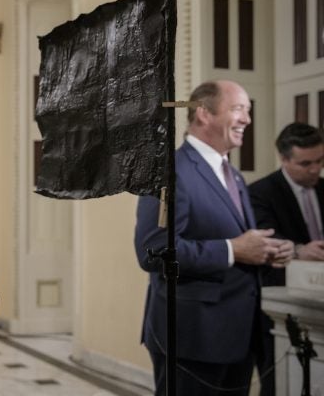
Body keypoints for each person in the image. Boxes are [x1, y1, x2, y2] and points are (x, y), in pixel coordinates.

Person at [134, 80, 294, 396]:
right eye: (238, 109)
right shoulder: (168, 169)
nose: (248, 119)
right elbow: (152, 252)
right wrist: (232, 250)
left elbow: (237, 241)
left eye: (248, 111)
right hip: (192, 337)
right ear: (204, 114)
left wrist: (265, 251)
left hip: (239, 335)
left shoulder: (232, 173)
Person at [248, 122, 324, 396]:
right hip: (280, 302)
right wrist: (299, 249)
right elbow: (264, 239)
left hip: (320, 300)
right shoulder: (260, 192)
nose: (315, 169)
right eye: (306, 163)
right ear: (284, 158)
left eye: (319, 160)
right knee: (279, 382)